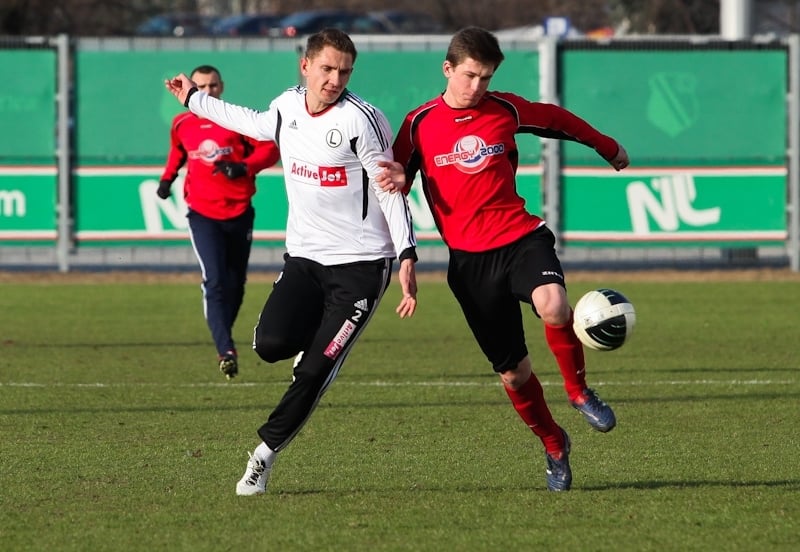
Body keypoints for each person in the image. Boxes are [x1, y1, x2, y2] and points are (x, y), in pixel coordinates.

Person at [165, 28, 418, 496]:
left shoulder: (363, 120)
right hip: (305, 257)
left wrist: (405, 253)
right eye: (327, 68)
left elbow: (388, 188)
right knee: (267, 344)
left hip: (362, 265)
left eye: (344, 71)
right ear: (305, 66)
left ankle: (262, 457)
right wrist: (194, 99)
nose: (335, 79)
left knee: (315, 372)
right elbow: (250, 120)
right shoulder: (286, 107)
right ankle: (315, 344)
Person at [385, 27, 630, 491]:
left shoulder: (505, 109)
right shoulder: (419, 123)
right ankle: (554, 444)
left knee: (555, 304)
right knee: (515, 374)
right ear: (448, 69)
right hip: (470, 265)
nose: (477, 87)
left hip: (520, 238)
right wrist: (405, 247)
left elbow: (557, 119)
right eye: (470, 76)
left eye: (486, 77)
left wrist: (606, 145)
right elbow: (396, 180)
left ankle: (578, 392)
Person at [157, 64, 280, 380]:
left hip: (239, 212)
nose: (206, 92)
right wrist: (167, 179)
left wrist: (244, 167)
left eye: (212, 86)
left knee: (235, 283)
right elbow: (177, 152)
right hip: (202, 213)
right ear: (189, 89)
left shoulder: (237, 121)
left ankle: (224, 335)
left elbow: (269, 150)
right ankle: (225, 349)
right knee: (214, 280)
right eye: (200, 86)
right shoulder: (182, 122)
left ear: (221, 87)